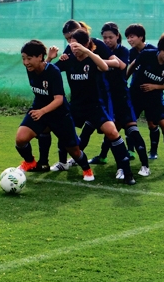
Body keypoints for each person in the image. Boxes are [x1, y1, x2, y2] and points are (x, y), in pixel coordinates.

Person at [49, 29, 135, 184]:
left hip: (95, 105)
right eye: (71, 45)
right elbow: (50, 72)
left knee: (112, 132)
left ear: (86, 45)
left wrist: (87, 52)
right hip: (76, 105)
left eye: (77, 46)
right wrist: (50, 59)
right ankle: (63, 162)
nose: (73, 49)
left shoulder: (93, 59)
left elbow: (105, 67)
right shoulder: (69, 58)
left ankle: (126, 172)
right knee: (63, 128)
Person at [15, 40, 94, 182]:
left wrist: (42, 112)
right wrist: (49, 58)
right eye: (23, 58)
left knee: (74, 151)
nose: (25, 62)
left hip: (59, 114)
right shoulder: (31, 68)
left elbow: (59, 99)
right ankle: (30, 162)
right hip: (39, 108)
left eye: (28, 58)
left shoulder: (54, 72)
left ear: (39, 56)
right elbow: (42, 70)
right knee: (20, 139)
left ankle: (87, 169)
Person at [91, 22, 150, 177]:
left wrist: (99, 59)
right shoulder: (100, 51)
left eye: (110, 37)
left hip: (122, 97)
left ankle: (145, 166)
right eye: (104, 38)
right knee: (112, 132)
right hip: (106, 98)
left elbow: (122, 65)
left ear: (117, 36)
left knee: (132, 130)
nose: (107, 40)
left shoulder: (123, 51)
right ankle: (117, 165)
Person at [127, 33, 164, 173]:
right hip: (136, 96)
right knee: (124, 123)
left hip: (155, 98)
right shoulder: (147, 55)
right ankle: (124, 155)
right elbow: (133, 65)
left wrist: (155, 87)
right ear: (160, 49)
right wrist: (124, 81)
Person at [125, 23, 159, 160]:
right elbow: (131, 68)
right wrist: (124, 82)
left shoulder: (153, 50)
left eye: (132, 37)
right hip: (135, 92)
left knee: (152, 123)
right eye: (127, 37)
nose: (129, 40)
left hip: (151, 94)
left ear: (141, 37)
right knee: (130, 121)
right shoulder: (131, 52)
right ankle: (130, 151)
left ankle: (153, 151)